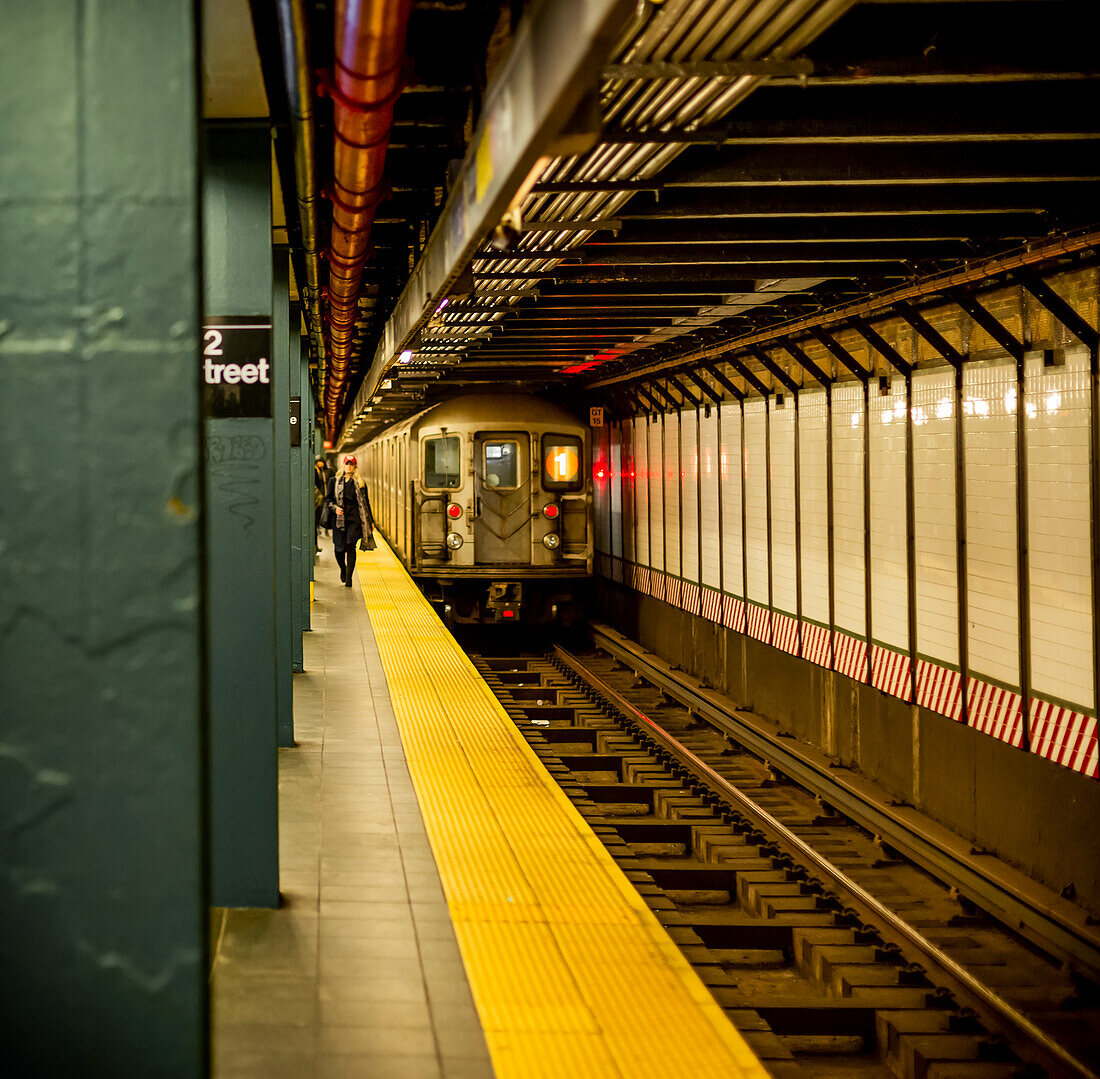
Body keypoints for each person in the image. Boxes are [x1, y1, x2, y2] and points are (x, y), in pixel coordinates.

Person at [325, 454, 373, 587]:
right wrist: (335, 508)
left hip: (354, 519)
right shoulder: (334, 481)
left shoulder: (360, 483)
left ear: (355, 466)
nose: (349, 466)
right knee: (339, 550)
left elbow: (366, 503)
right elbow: (328, 499)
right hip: (339, 520)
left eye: (351, 464)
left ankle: (349, 577)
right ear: (343, 465)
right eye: (347, 463)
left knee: (350, 547)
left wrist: (371, 521)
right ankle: (343, 569)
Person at [313, 455, 328, 552]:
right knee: (315, 523)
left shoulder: (323, 471)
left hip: (320, 499)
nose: (320, 463)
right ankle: (315, 546)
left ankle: (315, 545)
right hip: (317, 500)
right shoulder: (315, 471)